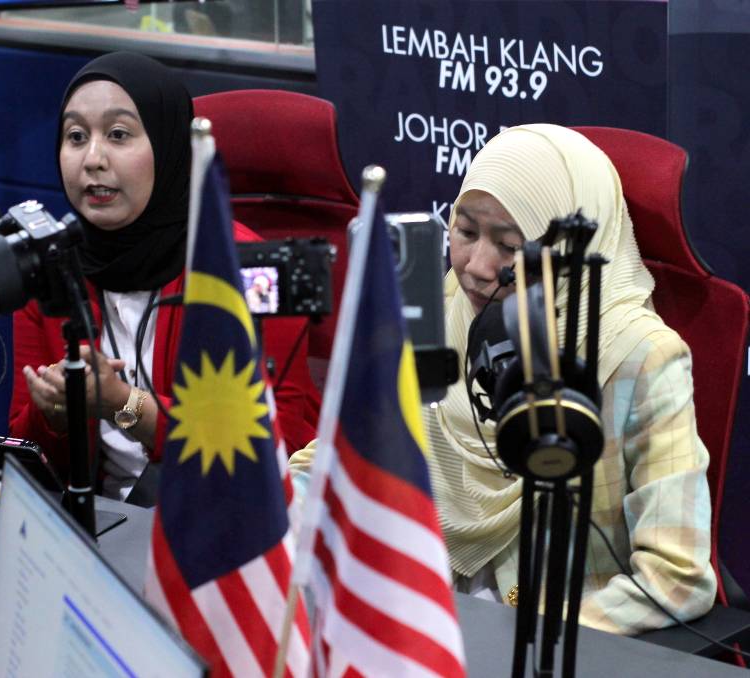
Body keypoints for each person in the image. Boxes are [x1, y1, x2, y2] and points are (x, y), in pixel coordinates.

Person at [289, 124, 716, 635]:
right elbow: (338, 457)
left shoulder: (641, 358)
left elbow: (676, 579)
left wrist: (530, 633)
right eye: (465, 232)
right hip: (420, 618)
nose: (476, 267)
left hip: (554, 642)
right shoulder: (438, 306)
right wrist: (269, 506)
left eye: (510, 247)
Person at [8, 52, 320, 500]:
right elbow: (26, 460)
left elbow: (273, 452)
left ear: (169, 145)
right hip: (98, 527)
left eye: (118, 135)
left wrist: (126, 404)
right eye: (76, 136)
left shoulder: (248, 269)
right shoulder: (49, 265)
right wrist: (56, 414)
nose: (92, 159)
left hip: (225, 528)